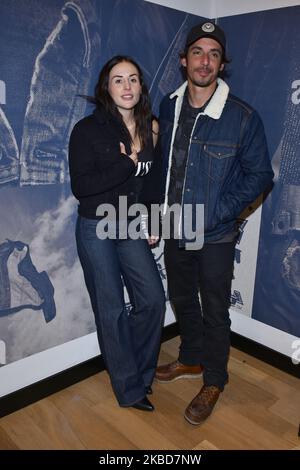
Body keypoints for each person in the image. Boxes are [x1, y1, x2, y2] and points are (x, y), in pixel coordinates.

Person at [155, 22, 274, 424]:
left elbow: (260, 176)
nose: (204, 61)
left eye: (213, 54)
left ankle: (215, 380)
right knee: (183, 298)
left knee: (216, 308)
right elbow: (166, 168)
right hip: (175, 226)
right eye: (198, 52)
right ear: (183, 60)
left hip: (216, 234)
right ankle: (190, 359)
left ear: (222, 65)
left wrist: (218, 213)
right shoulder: (168, 106)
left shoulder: (242, 117)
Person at [69, 55, 165, 412]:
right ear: (106, 88)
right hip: (96, 225)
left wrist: (155, 220)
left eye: (133, 79)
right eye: (118, 80)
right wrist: (126, 163)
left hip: (130, 224)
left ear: (141, 86)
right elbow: (83, 186)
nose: (127, 87)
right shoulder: (88, 129)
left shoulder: (150, 127)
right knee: (111, 310)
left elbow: (152, 184)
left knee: (153, 300)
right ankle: (128, 389)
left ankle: (140, 373)